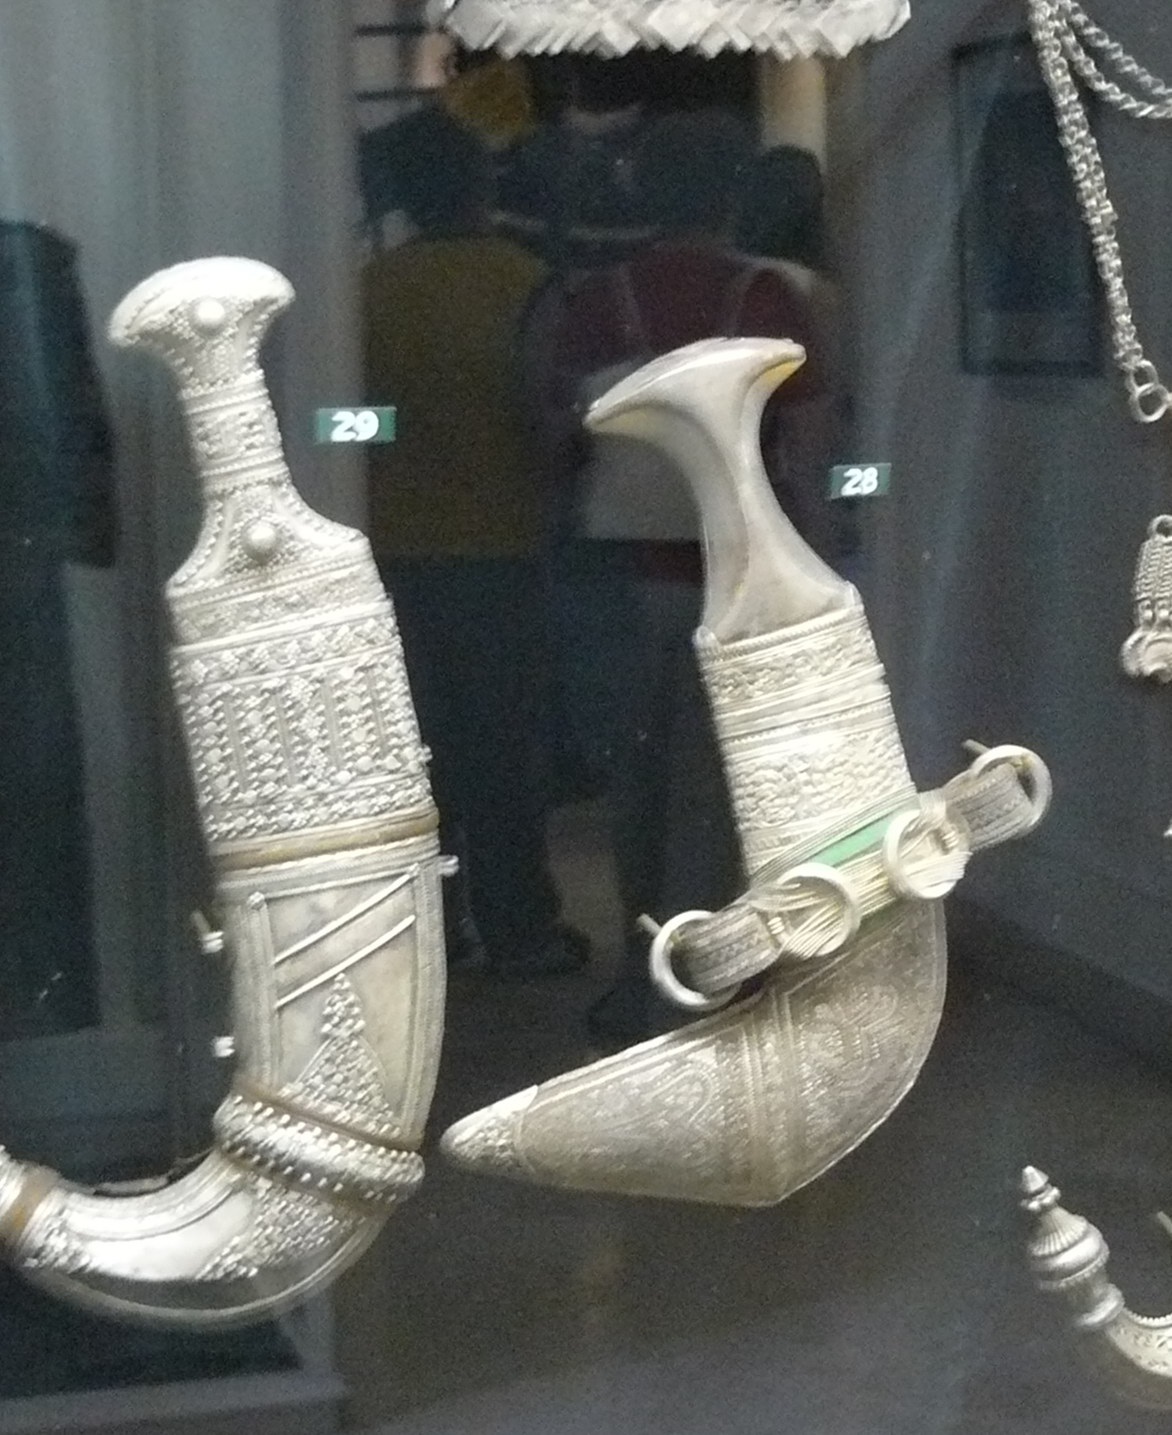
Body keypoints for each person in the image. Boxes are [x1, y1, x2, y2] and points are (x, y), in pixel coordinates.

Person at [531, 107, 838, 1043]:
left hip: (623, 575)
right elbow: (809, 437)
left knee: (635, 789)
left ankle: (645, 975)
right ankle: (717, 973)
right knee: (723, 786)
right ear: (735, 193)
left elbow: (557, 433)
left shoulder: (599, 301)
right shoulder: (766, 298)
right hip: (741, 571)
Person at [359, 107, 584, 979]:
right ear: (483, 182)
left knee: (414, 761)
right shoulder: (525, 283)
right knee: (504, 759)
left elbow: (353, 422)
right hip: (502, 548)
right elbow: (553, 419)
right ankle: (520, 929)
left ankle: (432, 935)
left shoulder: (368, 289)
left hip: (391, 553)